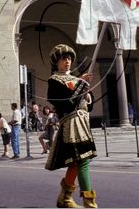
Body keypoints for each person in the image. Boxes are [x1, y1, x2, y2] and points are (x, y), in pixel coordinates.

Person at [45, 44, 98, 207]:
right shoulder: (54, 81)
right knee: (83, 161)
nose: (67, 61)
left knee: (76, 162)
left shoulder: (76, 79)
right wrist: (81, 85)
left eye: (69, 58)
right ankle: (90, 203)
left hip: (83, 122)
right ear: (56, 62)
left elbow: (87, 106)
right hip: (70, 125)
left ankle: (64, 197)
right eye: (63, 59)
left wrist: (88, 96)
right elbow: (66, 104)